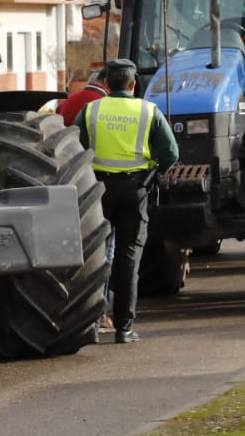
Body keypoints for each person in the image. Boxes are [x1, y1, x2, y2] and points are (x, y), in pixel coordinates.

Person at [73, 58, 178, 344]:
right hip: (135, 190)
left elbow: (75, 148)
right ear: (134, 84)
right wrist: (153, 173)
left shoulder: (91, 110)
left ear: (106, 83)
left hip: (98, 191)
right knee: (129, 256)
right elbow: (171, 152)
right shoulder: (148, 111)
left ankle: (92, 323)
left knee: (94, 256)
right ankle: (124, 328)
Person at [57, 68, 114, 330]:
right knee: (105, 249)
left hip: (65, 182)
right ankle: (98, 310)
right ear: (104, 83)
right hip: (98, 181)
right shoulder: (103, 105)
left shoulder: (68, 102)